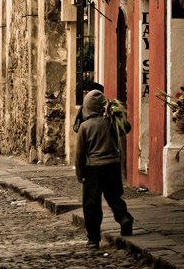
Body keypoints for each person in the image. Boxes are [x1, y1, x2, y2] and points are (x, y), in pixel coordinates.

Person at [75, 90, 134, 249]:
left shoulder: (85, 126)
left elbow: (80, 154)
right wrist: (117, 114)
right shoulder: (112, 122)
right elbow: (126, 128)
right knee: (114, 197)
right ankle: (124, 218)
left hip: (94, 169)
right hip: (113, 166)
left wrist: (80, 174)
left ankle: (93, 238)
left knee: (91, 204)